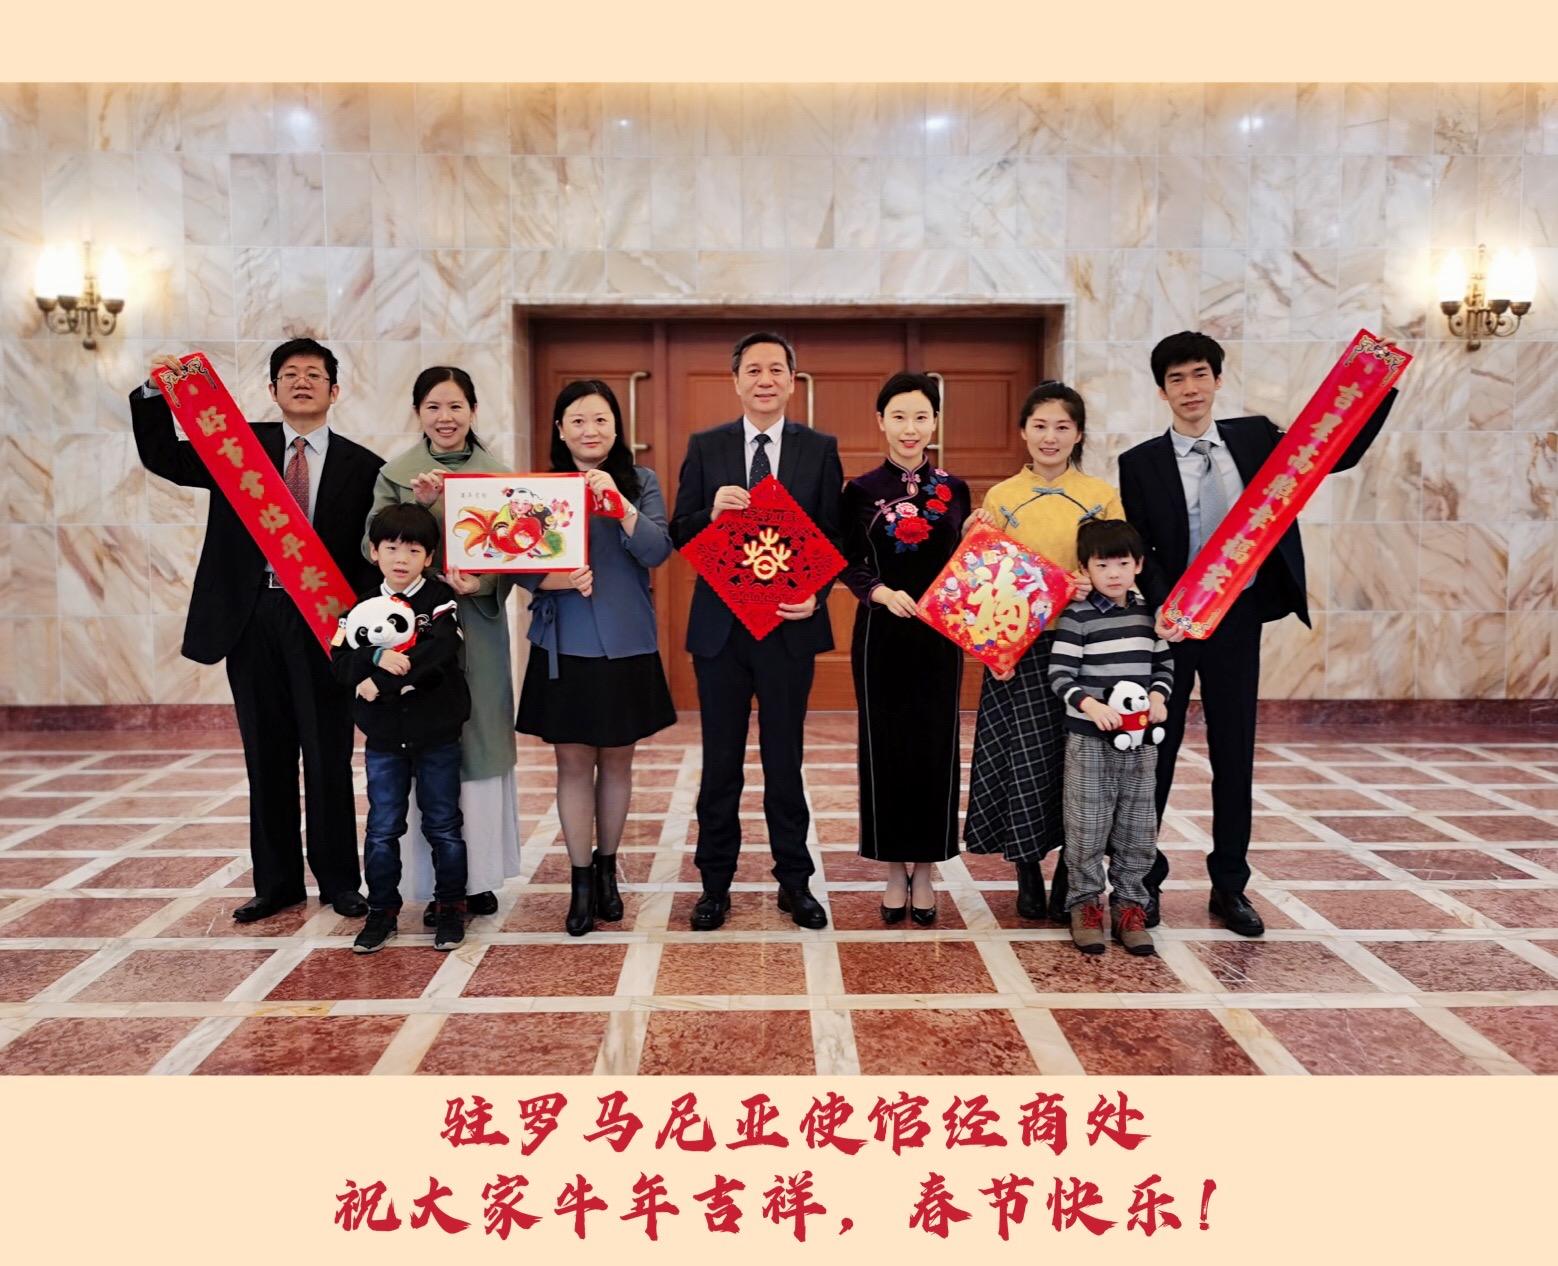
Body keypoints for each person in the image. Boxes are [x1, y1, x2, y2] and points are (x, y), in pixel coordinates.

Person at [1119, 330, 1396, 937]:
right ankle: (1143, 880)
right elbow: (1142, 547)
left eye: (1199, 374)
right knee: (1156, 751)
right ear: (1162, 391)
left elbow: (1334, 454)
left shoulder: (1255, 438)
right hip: (1173, 626)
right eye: (1176, 379)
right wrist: (1168, 605)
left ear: (1217, 379)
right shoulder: (1138, 463)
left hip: (1238, 619)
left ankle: (1229, 885)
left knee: (1233, 752)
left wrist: (1378, 388)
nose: (1190, 388)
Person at [130, 340, 381, 923]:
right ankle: (276, 884)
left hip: (325, 623)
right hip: (250, 616)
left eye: (314, 374)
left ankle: (340, 881)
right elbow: (165, 458)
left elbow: (371, 554)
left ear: (335, 390)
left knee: (327, 753)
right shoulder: (237, 449)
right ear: (272, 389)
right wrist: (154, 392)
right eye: (289, 374)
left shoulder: (364, 466)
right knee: (265, 754)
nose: (301, 382)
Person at [670, 332, 844, 931]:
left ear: (792, 381)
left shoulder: (819, 449)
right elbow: (680, 531)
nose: (764, 380)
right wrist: (710, 514)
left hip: (788, 629)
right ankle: (714, 885)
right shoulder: (707, 445)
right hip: (721, 633)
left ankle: (794, 882)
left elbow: (835, 536)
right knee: (720, 762)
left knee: (783, 760)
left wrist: (815, 593)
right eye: (753, 370)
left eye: (776, 369)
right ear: (736, 381)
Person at [515, 380, 677, 935]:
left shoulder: (641, 481)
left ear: (616, 427)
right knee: (572, 764)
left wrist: (620, 503)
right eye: (578, 420)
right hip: (564, 642)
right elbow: (516, 560)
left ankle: (608, 871)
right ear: (560, 430)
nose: (590, 430)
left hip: (627, 639)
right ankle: (580, 879)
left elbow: (656, 550)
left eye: (601, 420)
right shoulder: (540, 488)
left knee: (618, 762)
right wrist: (553, 579)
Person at [366, 367, 522, 928]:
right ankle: (430, 883)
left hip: (476, 629)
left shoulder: (500, 477)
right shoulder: (396, 474)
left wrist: (481, 584)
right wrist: (423, 507)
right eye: (433, 407)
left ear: (473, 411)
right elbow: (371, 542)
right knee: (420, 738)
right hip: (411, 626)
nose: (445, 417)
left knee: (477, 739)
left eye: (456, 406)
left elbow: (516, 553)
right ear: (418, 412)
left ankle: (476, 879)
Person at [962, 381, 1123, 923]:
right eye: (1040, 426)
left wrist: (1092, 582)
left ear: (1078, 435)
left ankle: (1072, 875)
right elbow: (983, 579)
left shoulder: (1101, 495)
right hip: (1020, 647)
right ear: (1023, 432)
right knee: (1025, 762)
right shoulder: (1002, 498)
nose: (1050, 437)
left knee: (1081, 764)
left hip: (1085, 646)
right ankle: (1026, 868)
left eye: (1062, 427)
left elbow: (1118, 568)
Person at [841, 373, 971, 924]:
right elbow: (848, 561)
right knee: (886, 749)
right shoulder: (860, 490)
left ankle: (927, 868)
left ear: (935, 422)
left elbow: (965, 564)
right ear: (881, 422)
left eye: (921, 416)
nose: (910, 428)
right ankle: (895, 868)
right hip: (881, 635)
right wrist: (879, 591)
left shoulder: (956, 490)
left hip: (939, 637)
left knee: (935, 749)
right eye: (899, 416)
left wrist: (978, 537)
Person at [332, 503, 470, 953]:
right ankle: (381, 912)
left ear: (428, 557)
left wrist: (380, 682)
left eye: (413, 550)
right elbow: (339, 659)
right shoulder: (360, 606)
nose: (401, 558)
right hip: (385, 738)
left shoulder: (440, 601)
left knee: (443, 825)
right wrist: (372, 658)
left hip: (437, 733)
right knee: (382, 828)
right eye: (391, 548)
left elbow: (439, 652)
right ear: (374, 552)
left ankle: (450, 908)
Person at [1048, 519, 1174, 955]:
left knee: (1138, 826)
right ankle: (1085, 905)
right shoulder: (1077, 616)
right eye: (1102, 566)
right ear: (1085, 569)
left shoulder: (1149, 615)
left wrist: (1158, 697)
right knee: (1086, 825)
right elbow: (1060, 674)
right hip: (1089, 740)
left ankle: (1130, 907)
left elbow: (1163, 666)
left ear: (1138, 565)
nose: (1114, 574)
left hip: (1141, 742)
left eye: (1122, 563)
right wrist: (1090, 705)